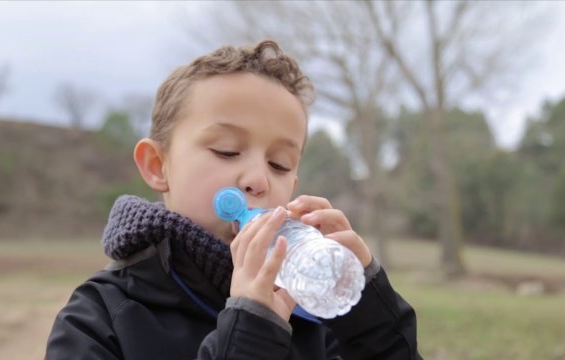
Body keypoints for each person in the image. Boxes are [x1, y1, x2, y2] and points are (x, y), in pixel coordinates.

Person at [46, 39, 422, 359]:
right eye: (227, 151)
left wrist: (370, 312)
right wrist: (251, 333)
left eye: (279, 164)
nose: (258, 179)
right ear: (158, 166)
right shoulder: (101, 316)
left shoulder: (312, 311)